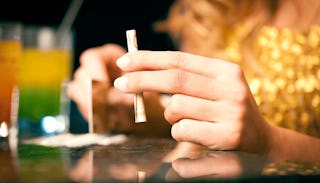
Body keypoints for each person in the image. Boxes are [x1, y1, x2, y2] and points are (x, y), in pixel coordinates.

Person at [68, 0, 320, 163]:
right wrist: (155, 115)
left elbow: (250, 138)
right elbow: (208, 133)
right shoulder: (208, 10)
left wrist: (271, 143)